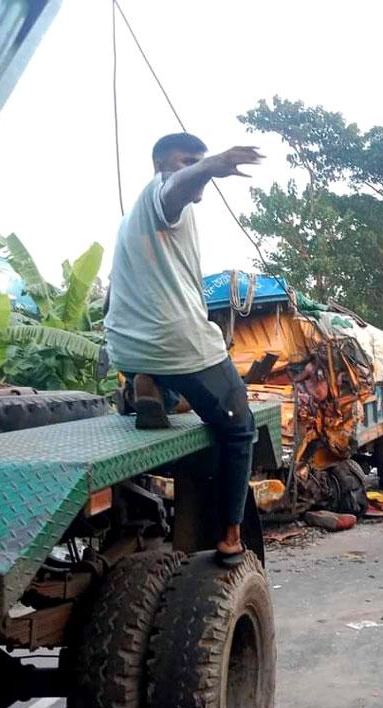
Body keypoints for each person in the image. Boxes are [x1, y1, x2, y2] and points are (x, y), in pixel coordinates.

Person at [105, 133, 263, 567]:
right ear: (161, 165)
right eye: (185, 161)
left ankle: (151, 386)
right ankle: (230, 535)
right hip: (176, 344)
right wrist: (213, 164)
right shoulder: (161, 198)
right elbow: (175, 188)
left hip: (129, 347)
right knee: (238, 428)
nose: (195, 169)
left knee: (177, 392)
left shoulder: (130, 224)